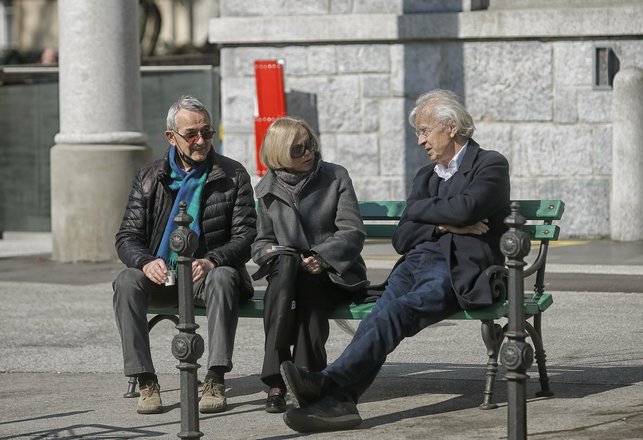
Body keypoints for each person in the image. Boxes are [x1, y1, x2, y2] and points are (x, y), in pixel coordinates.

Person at [279, 89, 511, 432]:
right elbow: (402, 238)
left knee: (398, 312)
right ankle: (340, 404)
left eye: (424, 131)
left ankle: (328, 384)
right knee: (384, 311)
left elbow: (467, 208)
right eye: (418, 132)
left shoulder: (490, 164)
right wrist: (446, 223)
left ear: (450, 127)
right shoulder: (426, 177)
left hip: (459, 269)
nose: (420, 141)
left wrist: (421, 212)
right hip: (414, 264)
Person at [113, 95, 257, 415]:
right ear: (171, 137)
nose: (201, 140)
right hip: (162, 274)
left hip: (205, 275)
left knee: (223, 276)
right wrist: (146, 261)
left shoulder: (233, 174)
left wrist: (212, 260)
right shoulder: (150, 176)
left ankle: (216, 377)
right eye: (191, 134)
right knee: (126, 281)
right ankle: (146, 379)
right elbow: (126, 237)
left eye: (206, 132)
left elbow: (246, 236)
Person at [251, 116, 368, 414]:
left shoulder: (335, 176)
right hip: (287, 272)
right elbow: (260, 242)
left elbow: (352, 231)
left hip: (333, 271)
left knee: (306, 286)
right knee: (285, 280)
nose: (308, 153)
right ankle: (286, 379)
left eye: (310, 145)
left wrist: (321, 257)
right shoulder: (266, 189)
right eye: (297, 149)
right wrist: (275, 254)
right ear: (279, 154)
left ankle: (300, 375)